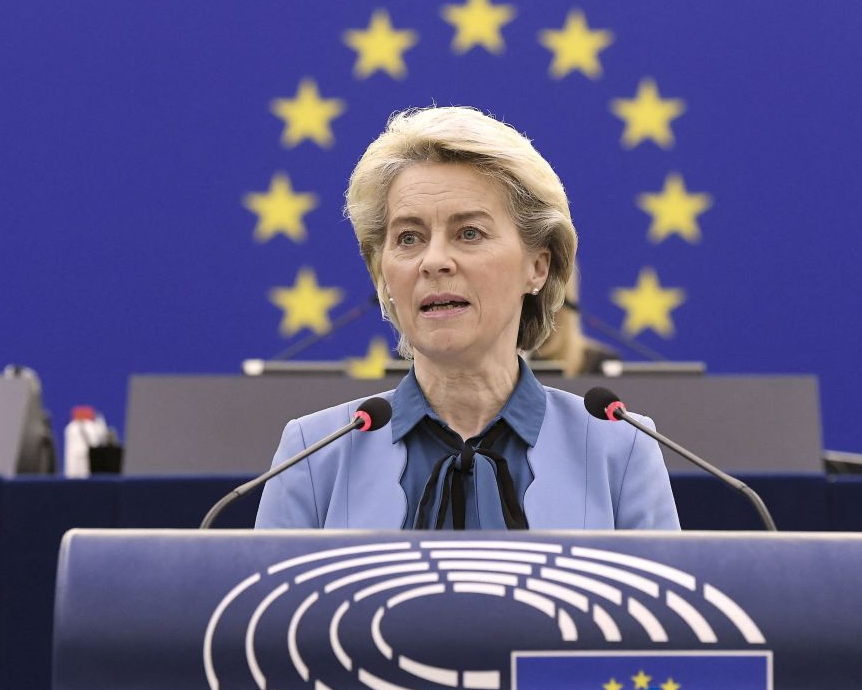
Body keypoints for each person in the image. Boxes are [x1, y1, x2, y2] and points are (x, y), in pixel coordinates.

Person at [255, 106, 679, 530]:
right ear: (382, 272)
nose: (434, 260)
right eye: (408, 238)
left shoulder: (620, 450)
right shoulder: (312, 456)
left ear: (538, 267)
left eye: (469, 233)